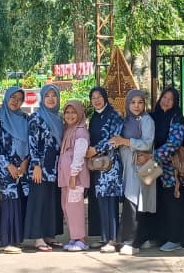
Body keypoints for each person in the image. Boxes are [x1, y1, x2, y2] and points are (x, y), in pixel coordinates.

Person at [109, 89, 155, 255]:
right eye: (133, 102)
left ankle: (131, 242)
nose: (136, 106)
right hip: (128, 165)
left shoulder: (146, 120)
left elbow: (147, 143)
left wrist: (125, 141)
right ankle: (142, 239)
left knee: (134, 201)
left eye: (140, 102)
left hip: (140, 165)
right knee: (134, 201)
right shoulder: (126, 120)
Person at [24, 84, 64, 251]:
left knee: (52, 201)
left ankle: (50, 235)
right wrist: (36, 165)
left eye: (53, 95)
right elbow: (32, 143)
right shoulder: (36, 117)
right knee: (39, 200)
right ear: (42, 98)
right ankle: (38, 237)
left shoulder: (59, 119)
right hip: (40, 166)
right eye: (47, 95)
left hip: (55, 166)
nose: (50, 99)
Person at [0, 86, 30, 254]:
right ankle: (6, 242)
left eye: (19, 98)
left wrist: (25, 163)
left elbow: (30, 142)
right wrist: (8, 165)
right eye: (12, 97)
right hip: (5, 168)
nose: (15, 101)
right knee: (9, 202)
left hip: (23, 168)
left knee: (19, 201)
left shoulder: (25, 118)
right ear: (6, 98)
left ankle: (15, 239)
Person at [150, 86, 184, 252]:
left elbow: (174, 142)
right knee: (158, 201)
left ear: (175, 102)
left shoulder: (177, 118)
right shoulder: (153, 116)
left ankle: (176, 238)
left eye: (170, 99)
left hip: (170, 168)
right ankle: (161, 236)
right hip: (153, 166)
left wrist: (153, 156)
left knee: (173, 201)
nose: (166, 101)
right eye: (164, 97)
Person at [87, 86, 124, 253]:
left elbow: (115, 139)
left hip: (110, 165)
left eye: (99, 96)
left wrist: (96, 149)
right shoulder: (94, 117)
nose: (96, 100)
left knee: (110, 201)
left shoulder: (114, 115)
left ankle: (113, 239)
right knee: (101, 200)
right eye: (93, 97)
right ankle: (104, 237)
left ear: (105, 97)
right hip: (97, 165)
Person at [58, 100, 91, 251]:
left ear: (80, 114)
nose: (70, 115)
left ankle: (81, 239)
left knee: (75, 207)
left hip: (74, 178)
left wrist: (72, 175)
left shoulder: (81, 131)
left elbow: (79, 155)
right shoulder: (68, 129)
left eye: (73, 112)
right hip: (66, 177)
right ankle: (74, 237)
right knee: (67, 207)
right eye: (67, 112)